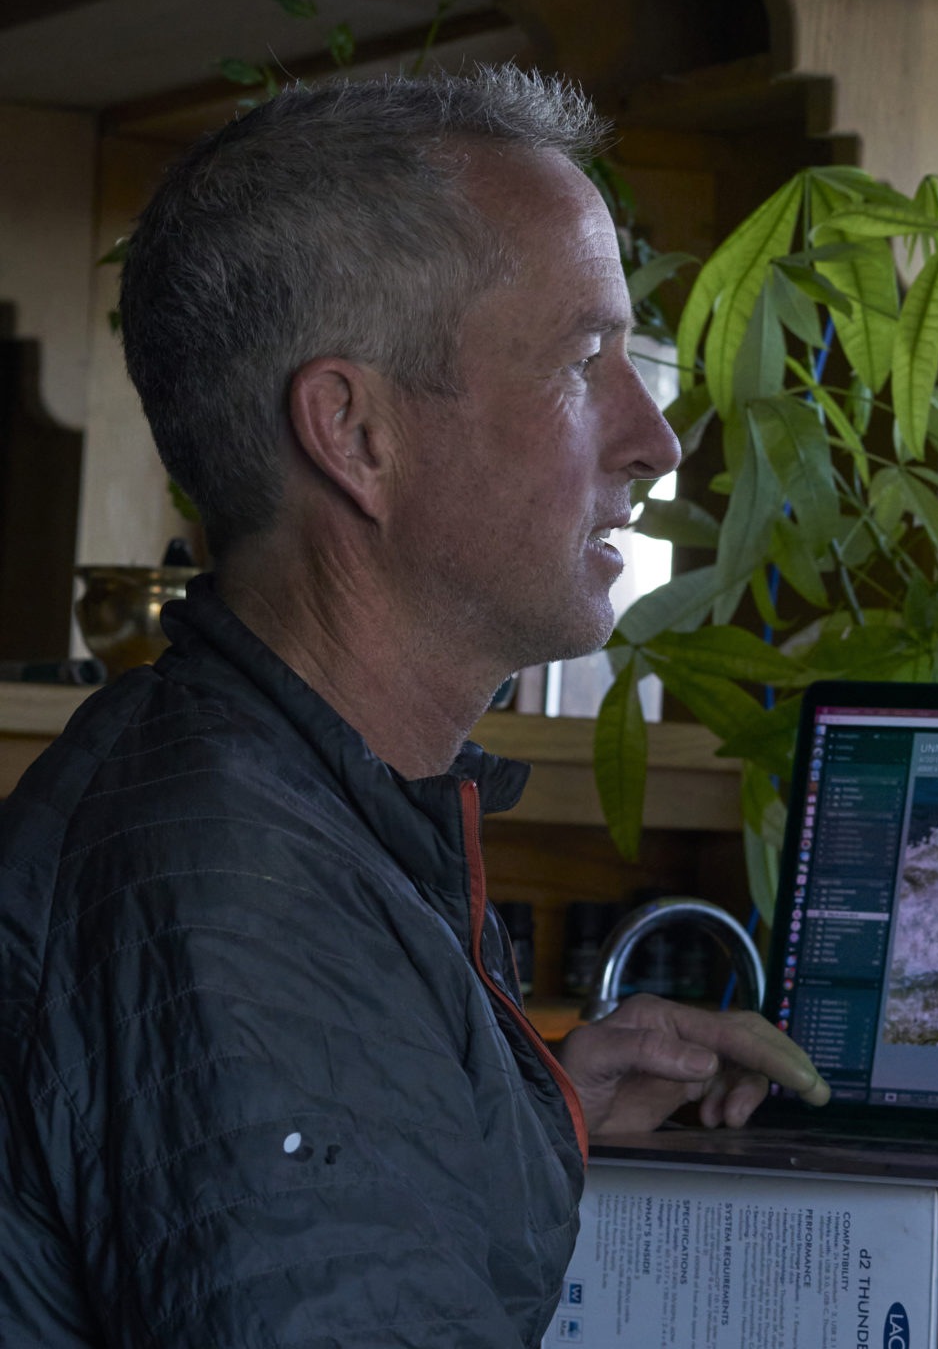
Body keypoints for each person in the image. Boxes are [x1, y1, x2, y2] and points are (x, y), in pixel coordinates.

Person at [0, 67, 829, 1347]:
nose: (655, 441)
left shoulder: (262, 797)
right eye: (581, 360)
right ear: (355, 434)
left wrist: (514, 1100)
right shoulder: (251, 898)